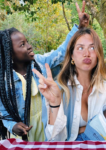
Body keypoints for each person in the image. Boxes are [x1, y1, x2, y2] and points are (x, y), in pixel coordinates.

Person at [0, 1, 89, 141]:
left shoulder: (39, 63)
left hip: (45, 127)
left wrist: (80, 28)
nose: (29, 47)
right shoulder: (5, 81)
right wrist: (13, 126)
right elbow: (4, 112)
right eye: (22, 45)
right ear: (10, 54)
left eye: (27, 42)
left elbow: (61, 52)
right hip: (23, 136)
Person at [32, 28, 106, 141]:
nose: (87, 54)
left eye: (92, 48)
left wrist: (85, 129)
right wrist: (55, 103)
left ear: (98, 54)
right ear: (72, 56)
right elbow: (54, 141)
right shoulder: (57, 90)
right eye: (80, 48)